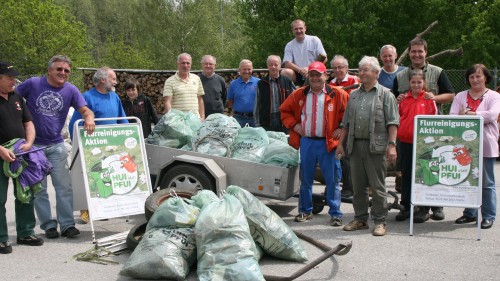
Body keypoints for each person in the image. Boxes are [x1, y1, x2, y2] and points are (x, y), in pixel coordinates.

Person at [16, 55, 95, 239]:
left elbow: (85, 110)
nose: (63, 73)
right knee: (40, 189)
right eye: (59, 69)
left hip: (56, 144)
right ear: (50, 70)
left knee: (64, 187)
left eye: (66, 70)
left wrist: (89, 118)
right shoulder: (33, 84)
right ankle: (48, 226)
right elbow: (13, 99)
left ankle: (67, 225)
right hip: (34, 146)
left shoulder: (71, 90)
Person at [392, 38, 455, 223]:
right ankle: (407, 205)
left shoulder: (438, 72)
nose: (417, 55)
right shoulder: (400, 75)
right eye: (413, 51)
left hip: (431, 136)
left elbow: (451, 95)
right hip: (406, 136)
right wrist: (397, 99)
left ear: (426, 52)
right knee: (406, 172)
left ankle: (435, 205)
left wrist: (434, 98)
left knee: (431, 170)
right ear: (409, 52)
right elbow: (393, 98)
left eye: (420, 51)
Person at [280, 61, 349, 227]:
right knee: (306, 179)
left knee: (333, 179)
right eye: (312, 75)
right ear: (308, 76)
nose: (315, 78)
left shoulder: (337, 94)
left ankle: (335, 213)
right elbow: (284, 111)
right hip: (307, 142)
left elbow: (348, 114)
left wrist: (341, 128)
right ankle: (305, 211)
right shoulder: (299, 94)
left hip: (328, 143)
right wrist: (294, 125)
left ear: (325, 75)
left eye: (319, 74)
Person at [337, 56, 399, 236]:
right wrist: (341, 144)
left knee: (378, 187)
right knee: (358, 186)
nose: (361, 73)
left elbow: (393, 122)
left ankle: (380, 221)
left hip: (376, 147)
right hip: (355, 146)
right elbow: (345, 123)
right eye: (360, 69)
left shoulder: (385, 94)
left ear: (376, 73)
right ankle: (361, 219)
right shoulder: (354, 95)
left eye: (365, 70)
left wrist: (392, 145)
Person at [69, 67, 129, 224]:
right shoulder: (87, 97)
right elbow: (75, 123)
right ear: (103, 80)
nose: (116, 81)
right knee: (89, 177)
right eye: (113, 78)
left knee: (108, 177)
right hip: (92, 146)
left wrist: (129, 135)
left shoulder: (114, 97)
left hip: (111, 146)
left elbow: (122, 119)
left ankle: (103, 209)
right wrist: (76, 143)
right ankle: (86, 209)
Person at [0, 62, 44, 254]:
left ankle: (26, 232)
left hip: (20, 153)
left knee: (26, 192)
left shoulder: (17, 97)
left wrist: (29, 143)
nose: (13, 81)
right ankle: (1, 238)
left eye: (14, 78)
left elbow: (29, 123)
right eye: (9, 78)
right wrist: (1, 150)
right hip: (1, 154)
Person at [450, 64, 500, 229]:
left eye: (479, 76)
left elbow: (492, 115)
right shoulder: (460, 96)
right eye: (472, 77)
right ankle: (469, 213)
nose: (475, 79)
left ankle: (488, 215)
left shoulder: (494, 96)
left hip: (485, 145)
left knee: (486, 183)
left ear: (485, 77)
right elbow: (453, 116)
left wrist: (470, 114)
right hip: (464, 147)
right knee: (468, 180)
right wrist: (469, 116)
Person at [396, 69, 437, 221]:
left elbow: (434, 120)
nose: (416, 85)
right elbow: (398, 117)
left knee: (424, 174)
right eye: (413, 82)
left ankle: (423, 208)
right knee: (406, 175)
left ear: (424, 83)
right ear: (409, 83)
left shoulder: (428, 99)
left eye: (419, 82)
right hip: (405, 142)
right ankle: (406, 206)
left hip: (423, 144)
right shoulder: (403, 99)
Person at [328, 55, 360, 199]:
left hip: (353, 125)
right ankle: (337, 187)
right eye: (334, 67)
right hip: (337, 126)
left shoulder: (355, 81)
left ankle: (349, 188)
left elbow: (354, 106)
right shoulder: (330, 84)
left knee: (347, 158)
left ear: (346, 68)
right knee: (337, 158)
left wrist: (343, 128)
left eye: (340, 67)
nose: (337, 70)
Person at [254, 55, 295, 132]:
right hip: (266, 120)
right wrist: (257, 123)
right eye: (270, 65)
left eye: (276, 65)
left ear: (280, 66)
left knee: (284, 143)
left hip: (284, 119)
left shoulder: (287, 81)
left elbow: (295, 100)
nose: (273, 67)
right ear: (267, 66)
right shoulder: (261, 83)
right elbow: (257, 104)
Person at [282, 19, 327, 86]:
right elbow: (287, 64)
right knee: (284, 72)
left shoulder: (314, 40)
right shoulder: (289, 45)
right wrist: (300, 70)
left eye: (301, 28)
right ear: (292, 30)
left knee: (315, 72)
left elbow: (324, 58)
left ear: (305, 28)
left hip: (315, 71)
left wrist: (309, 68)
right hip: (298, 73)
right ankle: (291, 92)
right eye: (296, 29)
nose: (299, 31)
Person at [163, 53, 205, 120]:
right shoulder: (169, 81)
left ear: (191, 64)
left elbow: (200, 99)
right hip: (178, 121)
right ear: (178, 63)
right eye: (183, 63)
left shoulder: (196, 79)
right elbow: (167, 102)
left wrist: (202, 116)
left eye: (188, 63)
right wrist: (170, 119)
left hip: (195, 120)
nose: (185, 66)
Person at [227, 59, 260, 127]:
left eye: (249, 69)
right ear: (239, 70)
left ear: (252, 69)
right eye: (244, 69)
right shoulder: (233, 84)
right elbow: (230, 101)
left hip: (255, 118)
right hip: (239, 118)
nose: (246, 71)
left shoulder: (259, 83)